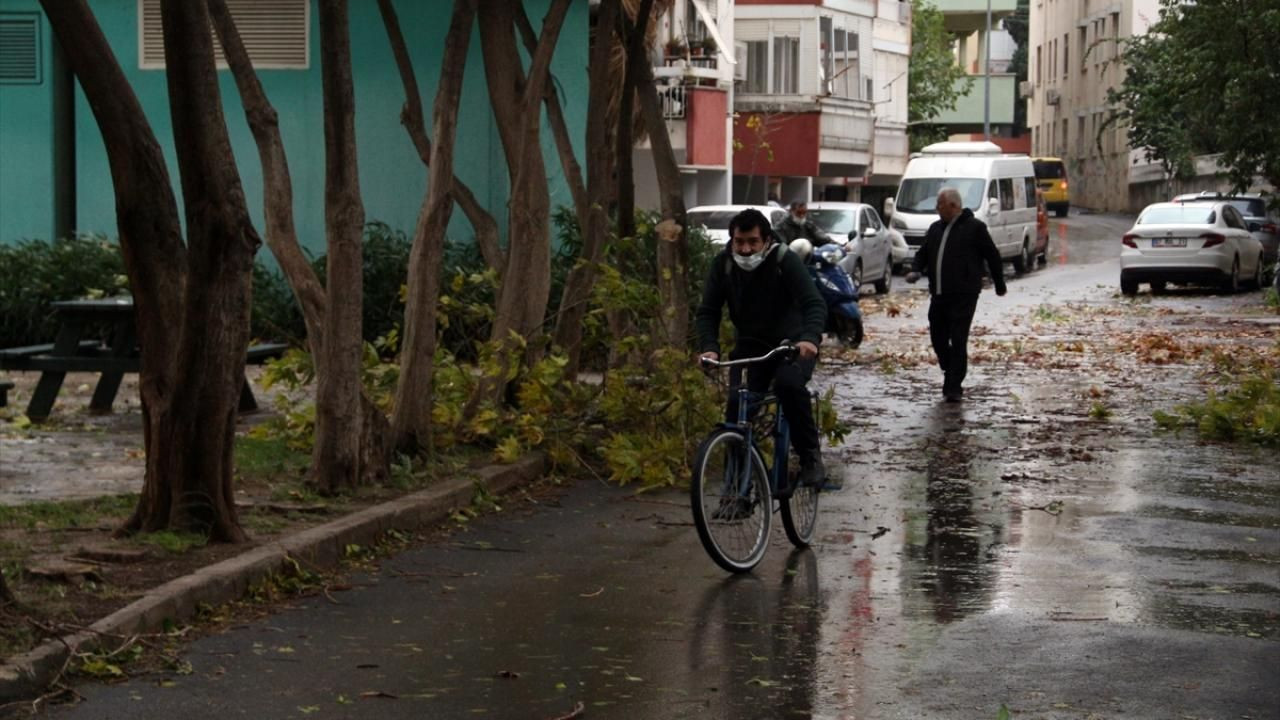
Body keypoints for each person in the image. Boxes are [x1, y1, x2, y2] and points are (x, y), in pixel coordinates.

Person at [696, 208, 829, 487]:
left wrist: (809, 338)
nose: (745, 249)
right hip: (750, 348)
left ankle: (810, 458)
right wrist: (710, 348)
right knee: (737, 408)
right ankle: (737, 488)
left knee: (788, 385)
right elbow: (708, 311)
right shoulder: (723, 265)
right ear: (732, 240)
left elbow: (814, 303)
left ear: (766, 241)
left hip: (791, 345)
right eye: (739, 242)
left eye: (752, 242)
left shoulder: (785, 260)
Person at [905, 187, 1007, 402]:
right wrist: (915, 269)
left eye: (939, 204)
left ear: (953, 206)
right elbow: (923, 253)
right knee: (938, 336)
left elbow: (992, 255)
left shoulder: (975, 228)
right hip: (939, 294)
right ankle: (949, 366)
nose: (936, 208)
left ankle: (953, 385)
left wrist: (999, 284)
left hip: (964, 293)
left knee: (958, 338)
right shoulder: (935, 229)